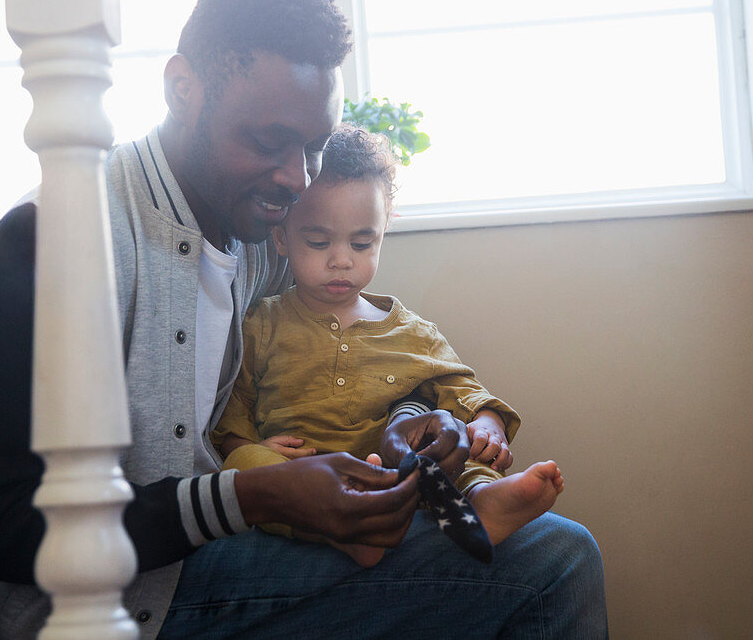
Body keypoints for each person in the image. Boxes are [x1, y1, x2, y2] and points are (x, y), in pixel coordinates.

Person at [0, 0, 608, 639]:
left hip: (213, 551)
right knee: (554, 560)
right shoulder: (53, 238)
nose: (296, 178)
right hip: (114, 602)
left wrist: (410, 418)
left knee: (534, 541)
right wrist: (249, 494)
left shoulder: (259, 240)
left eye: (312, 147)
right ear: (182, 88)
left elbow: (340, 346)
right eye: (270, 142)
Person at [212, 125, 566, 566]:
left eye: (362, 243)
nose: (342, 259)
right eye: (318, 241)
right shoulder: (261, 323)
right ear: (282, 238)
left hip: (394, 481)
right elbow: (233, 405)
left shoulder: (412, 332)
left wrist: (488, 422)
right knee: (241, 466)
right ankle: (346, 534)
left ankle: (484, 502)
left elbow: (460, 387)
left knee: (452, 450)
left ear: (382, 232)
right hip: (305, 483)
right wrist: (244, 445)